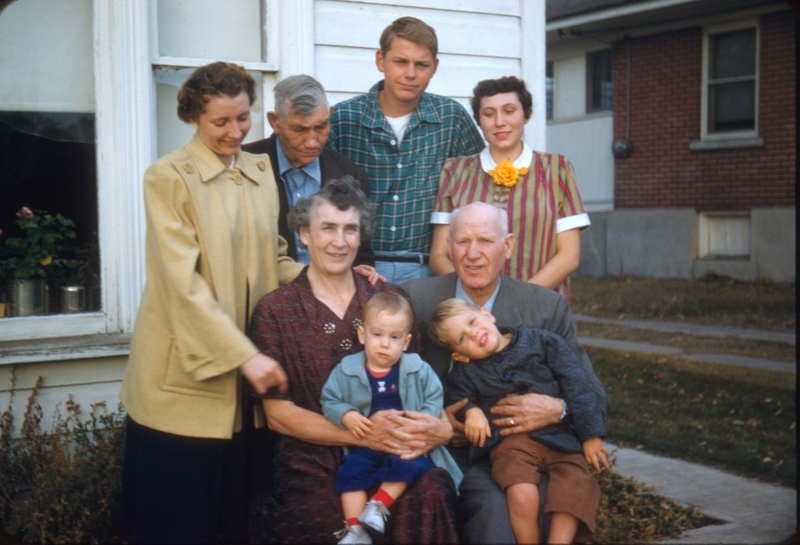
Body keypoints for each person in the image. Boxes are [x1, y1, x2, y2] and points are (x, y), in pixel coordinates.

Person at [117, 62, 304, 543]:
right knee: (178, 523)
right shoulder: (167, 177)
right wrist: (247, 357)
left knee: (232, 520)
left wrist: (327, 276)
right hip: (185, 381)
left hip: (246, 384)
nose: (235, 131)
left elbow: (275, 259)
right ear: (194, 118)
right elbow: (181, 284)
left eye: (242, 118)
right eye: (221, 121)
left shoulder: (260, 173)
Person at [248, 177, 458, 544]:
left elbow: (418, 380)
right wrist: (359, 433)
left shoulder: (388, 299)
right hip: (313, 456)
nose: (340, 241)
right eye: (327, 228)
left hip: (396, 451)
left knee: (430, 492)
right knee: (326, 521)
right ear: (304, 234)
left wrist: (439, 428)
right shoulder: (275, 310)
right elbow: (277, 415)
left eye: (351, 229)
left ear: (362, 237)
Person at [402, 201, 609, 544]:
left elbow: (595, 395)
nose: (472, 254)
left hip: (534, 450)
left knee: (548, 500)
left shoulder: (544, 308)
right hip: (445, 451)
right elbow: (383, 367)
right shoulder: (416, 299)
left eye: (485, 240)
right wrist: (436, 420)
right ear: (448, 248)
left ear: (508, 245)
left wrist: (559, 410)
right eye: (462, 242)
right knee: (494, 511)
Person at [429, 298, 609, 543]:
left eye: (472, 322)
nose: (474, 334)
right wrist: (472, 412)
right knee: (521, 493)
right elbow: (456, 397)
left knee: (576, 485)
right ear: (459, 356)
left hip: (560, 439)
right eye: (462, 338)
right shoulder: (465, 372)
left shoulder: (543, 342)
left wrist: (590, 436)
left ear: (487, 314)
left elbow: (577, 384)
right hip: (510, 447)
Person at [328, 16, 484, 284]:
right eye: (400, 62)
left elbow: (481, 183)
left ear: (434, 67)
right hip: (359, 268)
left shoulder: (451, 119)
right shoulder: (344, 119)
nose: (410, 74)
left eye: (421, 64)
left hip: (428, 269)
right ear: (381, 61)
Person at [429, 76, 590, 300]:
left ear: (527, 114)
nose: (499, 122)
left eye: (509, 110)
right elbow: (439, 255)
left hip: (539, 305)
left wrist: (516, 300)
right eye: (488, 114)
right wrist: (476, 296)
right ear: (479, 120)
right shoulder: (455, 172)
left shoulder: (557, 169)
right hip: (471, 311)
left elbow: (569, 256)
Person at [321, 291, 463, 544]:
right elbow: (329, 399)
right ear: (362, 335)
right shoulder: (347, 369)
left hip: (405, 441)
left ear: (406, 342)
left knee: (412, 462)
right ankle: (356, 530)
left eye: (394, 337)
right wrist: (348, 415)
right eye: (377, 334)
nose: (385, 343)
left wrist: (423, 421)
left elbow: (434, 395)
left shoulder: (417, 369)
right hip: (366, 442)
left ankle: (377, 506)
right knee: (348, 472)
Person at [242, 74, 374, 267]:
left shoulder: (352, 175)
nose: (312, 142)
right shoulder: (243, 166)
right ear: (275, 122)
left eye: (321, 127)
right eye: (299, 130)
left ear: (329, 114)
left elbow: (362, 257)